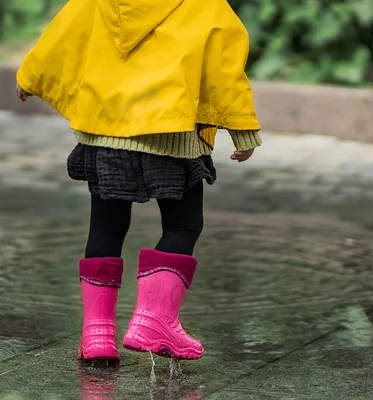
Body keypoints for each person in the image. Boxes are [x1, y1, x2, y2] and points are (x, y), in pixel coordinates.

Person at [15, 0, 262, 362]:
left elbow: (63, 35)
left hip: (106, 131)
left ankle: (97, 334)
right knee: (183, 223)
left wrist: (30, 77)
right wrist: (243, 129)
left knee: (106, 227)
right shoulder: (207, 6)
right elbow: (226, 68)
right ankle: (154, 320)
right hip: (172, 133)